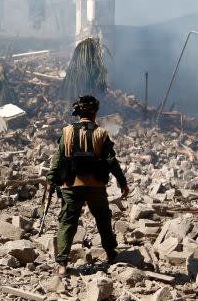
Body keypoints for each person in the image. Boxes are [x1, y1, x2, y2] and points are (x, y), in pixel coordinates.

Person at [46, 95, 130, 275]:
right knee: (103, 219)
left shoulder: (66, 132)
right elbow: (111, 161)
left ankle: (62, 264)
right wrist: (122, 182)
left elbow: (58, 159)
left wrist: (50, 180)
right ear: (95, 113)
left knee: (67, 223)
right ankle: (110, 253)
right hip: (95, 187)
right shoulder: (101, 133)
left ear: (78, 113)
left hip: (70, 186)